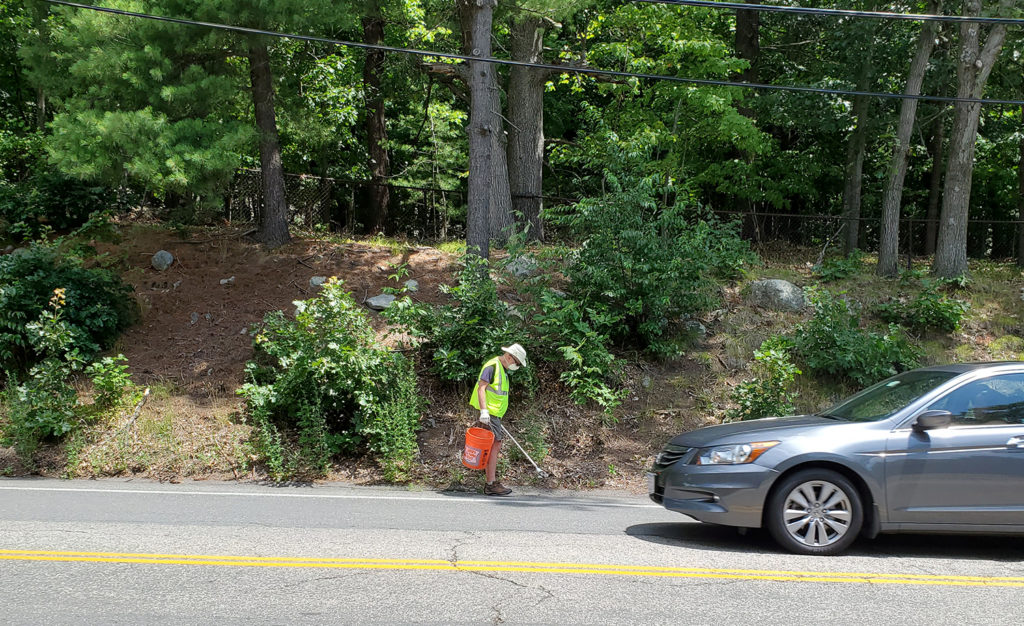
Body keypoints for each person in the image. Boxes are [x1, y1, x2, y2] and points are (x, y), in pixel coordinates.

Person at [469, 343, 527, 496]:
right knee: (494, 445)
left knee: (493, 445)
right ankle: (491, 484)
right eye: (517, 362)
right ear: (509, 357)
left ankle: (491, 482)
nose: (517, 366)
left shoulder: (502, 368)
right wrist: (484, 411)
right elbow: (482, 388)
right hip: (489, 414)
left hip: (494, 414)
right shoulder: (492, 366)